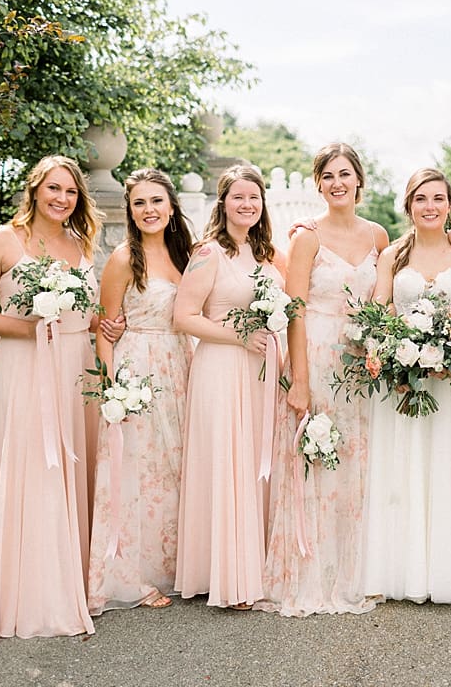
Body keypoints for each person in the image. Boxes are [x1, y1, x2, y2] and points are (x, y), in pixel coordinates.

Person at [0, 155, 102, 643]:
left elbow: (92, 309)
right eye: (54, 189)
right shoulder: (2, 241)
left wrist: (107, 324)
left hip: (77, 365)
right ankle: (32, 593)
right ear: (35, 189)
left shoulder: (81, 244)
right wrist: (29, 328)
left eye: (70, 192)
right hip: (25, 366)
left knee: (73, 466)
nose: (62, 199)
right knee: (33, 468)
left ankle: (76, 583)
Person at [261, 143, 389, 616]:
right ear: (318, 184)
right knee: (315, 457)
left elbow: (387, 297)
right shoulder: (307, 237)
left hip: (359, 360)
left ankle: (357, 568)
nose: (337, 183)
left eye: (345, 174)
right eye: (328, 176)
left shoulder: (378, 235)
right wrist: (298, 377)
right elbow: (293, 308)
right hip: (315, 350)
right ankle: (310, 568)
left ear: (359, 180)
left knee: (357, 457)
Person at [361, 167, 451, 605]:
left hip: (450, 383)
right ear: (408, 205)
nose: (429, 206)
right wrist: (395, 352)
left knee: (449, 467)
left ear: (450, 204)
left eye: (438, 198)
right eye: (420, 199)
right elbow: (378, 314)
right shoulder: (393, 256)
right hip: (402, 383)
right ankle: (404, 570)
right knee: (405, 469)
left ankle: (449, 571)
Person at [173, 164, 287, 609]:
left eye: (254, 198)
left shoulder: (262, 255)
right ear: (223, 204)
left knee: (255, 465)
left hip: (259, 373)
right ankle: (228, 578)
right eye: (238, 197)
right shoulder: (209, 253)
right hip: (221, 368)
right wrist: (239, 336)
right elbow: (185, 316)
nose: (247, 204)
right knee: (230, 464)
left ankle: (251, 566)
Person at [87, 169, 194, 613]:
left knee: (176, 468)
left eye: (156, 201)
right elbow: (103, 329)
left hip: (181, 367)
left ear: (171, 207)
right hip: (138, 370)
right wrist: (112, 393)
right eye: (139, 203)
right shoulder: (122, 258)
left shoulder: (186, 255)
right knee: (138, 471)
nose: (148, 210)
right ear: (130, 211)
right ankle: (134, 577)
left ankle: (181, 566)